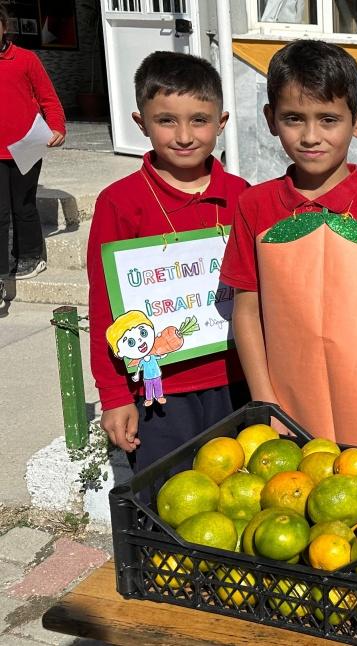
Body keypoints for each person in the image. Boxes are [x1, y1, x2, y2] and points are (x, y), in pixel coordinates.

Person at [221, 39, 357, 446]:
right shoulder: (254, 206)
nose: (311, 136)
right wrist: (265, 404)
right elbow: (246, 311)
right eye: (294, 118)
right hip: (286, 416)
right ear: (270, 118)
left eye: (328, 119)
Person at [87, 51, 249, 472]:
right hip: (158, 390)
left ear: (221, 122)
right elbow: (106, 306)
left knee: (241, 495)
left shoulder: (243, 196)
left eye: (199, 120)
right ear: (140, 122)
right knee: (168, 501)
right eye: (166, 121)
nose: (183, 135)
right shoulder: (120, 203)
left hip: (237, 378)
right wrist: (115, 395)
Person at [0, 4, 65, 296]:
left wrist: (58, 128)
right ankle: (2, 269)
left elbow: (48, 99)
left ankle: (31, 255)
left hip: (27, 144)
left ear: (4, 26)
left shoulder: (25, 59)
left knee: (23, 203)